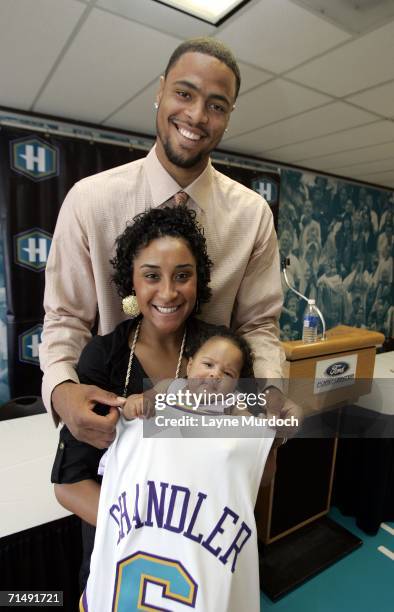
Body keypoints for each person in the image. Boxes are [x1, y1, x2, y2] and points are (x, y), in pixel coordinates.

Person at [40, 37, 286, 449]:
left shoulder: (253, 215)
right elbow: (65, 318)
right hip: (117, 432)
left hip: (210, 436)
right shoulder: (90, 200)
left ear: (228, 116)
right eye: (184, 93)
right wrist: (62, 390)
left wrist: (270, 393)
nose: (196, 115)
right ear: (159, 92)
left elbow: (258, 325)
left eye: (216, 104)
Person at [53, 206, 277, 610]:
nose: (169, 292)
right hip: (120, 562)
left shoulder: (222, 353)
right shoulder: (103, 359)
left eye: (183, 276)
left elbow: (258, 470)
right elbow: (69, 486)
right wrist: (151, 528)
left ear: (199, 281)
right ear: (131, 284)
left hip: (203, 560)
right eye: (152, 275)